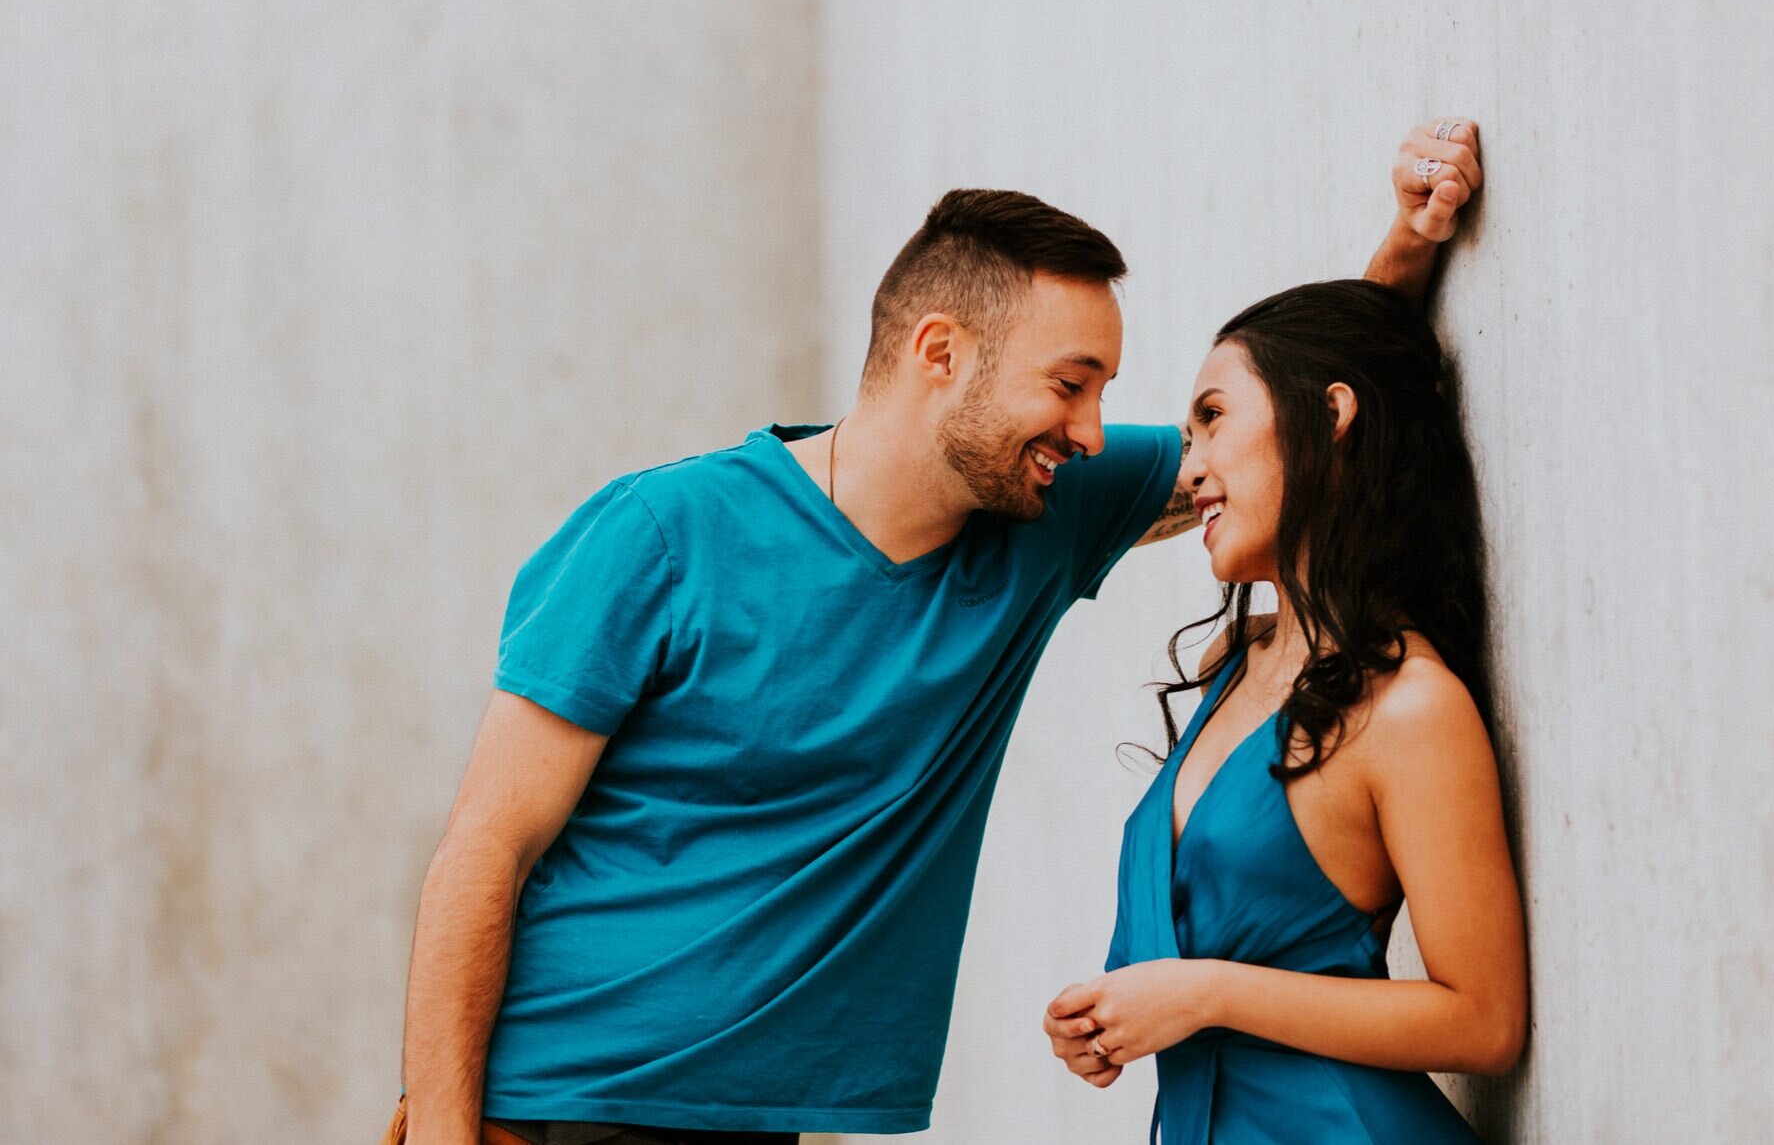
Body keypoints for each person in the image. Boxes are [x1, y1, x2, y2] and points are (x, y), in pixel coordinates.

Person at [388, 120, 1485, 1145]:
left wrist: (1403, 248)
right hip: (560, 1102)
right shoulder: (660, 535)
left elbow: (1281, 441)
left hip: (744, 1116)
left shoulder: (1042, 511)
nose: (1093, 430)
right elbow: (487, 846)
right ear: (938, 351)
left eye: (1101, 390)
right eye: (1068, 384)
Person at [1041, 272, 1526, 1142]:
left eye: (1213, 418)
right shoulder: (1239, 661)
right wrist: (1113, 1014)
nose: (1191, 470)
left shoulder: (1410, 708)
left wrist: (1205, 994)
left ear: (1332, 416)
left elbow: (1484, 1020)